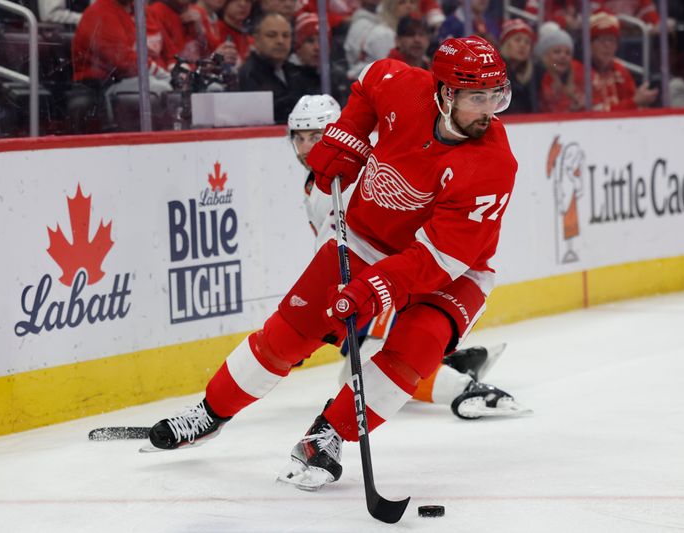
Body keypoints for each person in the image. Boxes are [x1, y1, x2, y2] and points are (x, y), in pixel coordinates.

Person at [145, 36, 521, 491]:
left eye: (495, 96)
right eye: (475, 97)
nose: (487, 110)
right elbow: (367, 83)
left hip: (454, 267)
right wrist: (350, 136)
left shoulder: (492, 164)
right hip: (366, 236)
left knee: (417, 347)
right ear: (443, 92)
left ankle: (329, 435)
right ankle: (209, 413)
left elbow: (439, 258)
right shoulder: (403, 85)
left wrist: (372, 288)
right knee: (286, 334)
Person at [287, 93, 526, 419]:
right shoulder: (320, 181)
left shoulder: (354, 175)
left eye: (316, 136)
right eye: (299, 138)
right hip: (373, 282)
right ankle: (447, 364)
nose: (305, 147)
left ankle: (464, 388)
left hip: (389, 277)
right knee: (358, 371)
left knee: (365, 366)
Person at [238, 12, 317, 123]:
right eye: (271, 35)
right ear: (256, 39)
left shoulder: (297, 73)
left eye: (286, 35)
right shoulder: (248, 75)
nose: (280, 41)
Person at [589, 11, 657, 111]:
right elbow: (596, 115)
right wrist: (634, 102)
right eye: (602, 40)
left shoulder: (621, 71)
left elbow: (635, 109)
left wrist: (637, 102)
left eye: (611, 40)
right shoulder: (580, 73)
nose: (608, 45)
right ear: (589, 44)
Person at [535, 21, 585, 113]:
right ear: (544, 56)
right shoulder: (536, 78)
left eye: (568, 53)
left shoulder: (581, 72)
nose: (563, 56)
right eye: (557, 52)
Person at [499, 18, 537, 114]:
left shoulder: (536, 72)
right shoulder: (494, 71)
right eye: (517, 40)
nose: (523, 45)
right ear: (506, 44)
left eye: (527, 42)